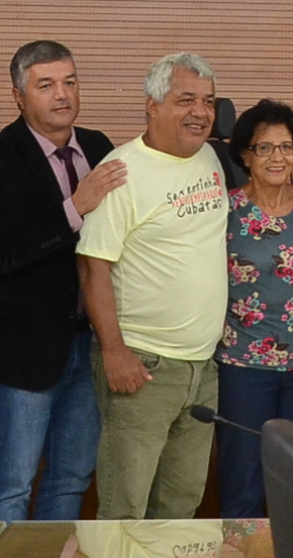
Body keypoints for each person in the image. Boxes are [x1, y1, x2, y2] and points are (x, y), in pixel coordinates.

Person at [0, 40, 123, 521]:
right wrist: (76, 206)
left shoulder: (98, 147)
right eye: (47, 85)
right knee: (13, 485)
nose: (62, 95)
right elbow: (3, 253)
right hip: (24, 355)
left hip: (89, 344)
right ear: (19, 96)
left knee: (71, 481)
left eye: (70, 82)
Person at [76, 53, 231, 520]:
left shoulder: (209, 157)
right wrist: (114, 351)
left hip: (202, 369)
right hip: (143, 366)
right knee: (126, 509)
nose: (200, 112)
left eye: (208, 101)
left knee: (181, 505)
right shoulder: (121, 171)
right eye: (186, 100)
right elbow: (92, 266)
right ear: (152, 105)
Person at [217, 99, 293, 518]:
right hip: (242, 367)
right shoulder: (224, 210)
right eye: (264, 147)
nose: (277, 157)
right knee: (241, 481)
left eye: (286, 146)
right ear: (245, 156)